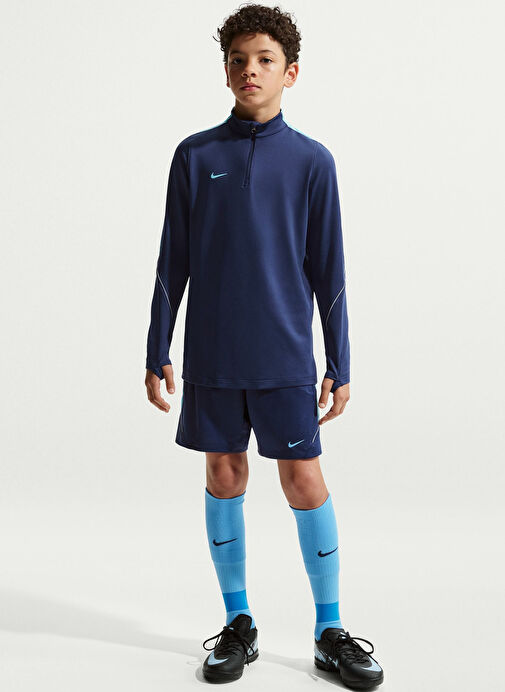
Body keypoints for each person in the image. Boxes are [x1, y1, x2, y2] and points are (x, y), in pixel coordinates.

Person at [145, 4, 384, 689]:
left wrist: (339, 362)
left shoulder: (312, 162)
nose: (250, 70)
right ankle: (238, 622)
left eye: (265, 60)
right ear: (225, 71)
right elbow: (172, 260)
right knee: (225, 475)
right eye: (238, 60)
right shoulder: (195, 156)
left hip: (284, 355)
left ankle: (329, 629)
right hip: (213, 354)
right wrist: (156, 347)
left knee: (303, 479)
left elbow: (329, 272)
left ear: (291, 72)